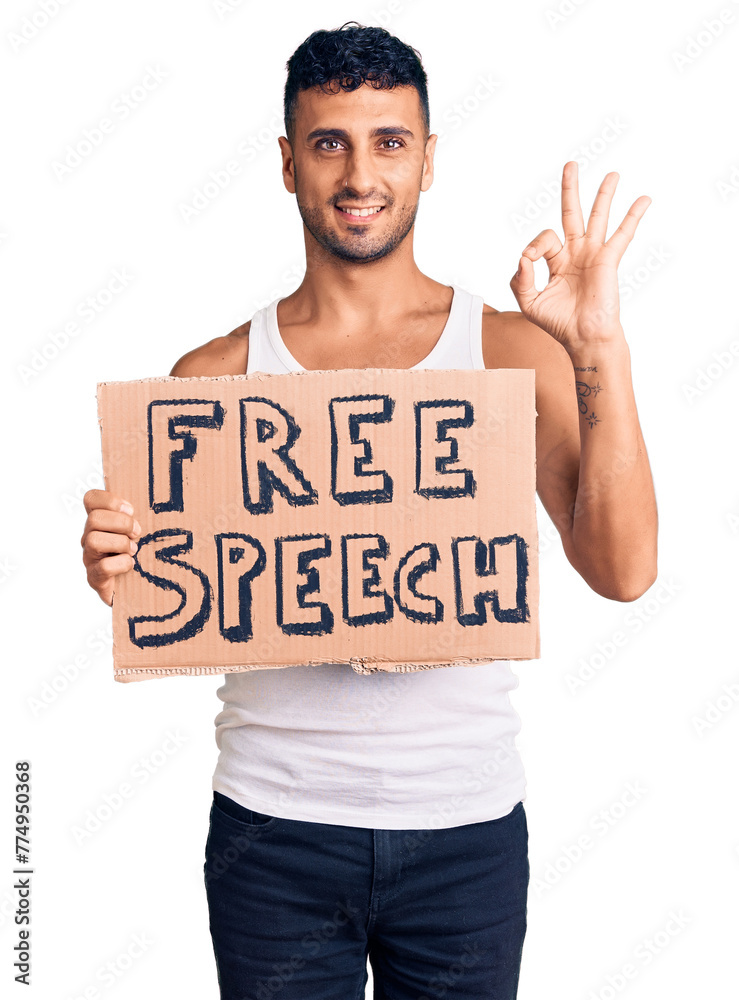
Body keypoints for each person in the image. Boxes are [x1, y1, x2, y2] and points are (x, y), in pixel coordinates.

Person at [80, 21, 658, 1000]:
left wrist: (597, 347)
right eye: (329, 142)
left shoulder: (514, 352)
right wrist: (121, 564)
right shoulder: (210, 382)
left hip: (465, 830)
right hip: (274, 832)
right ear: (287, 163)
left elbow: (624, 568)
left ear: (428, 160)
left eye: (389, 141)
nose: (359, 173)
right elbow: (177, 585)